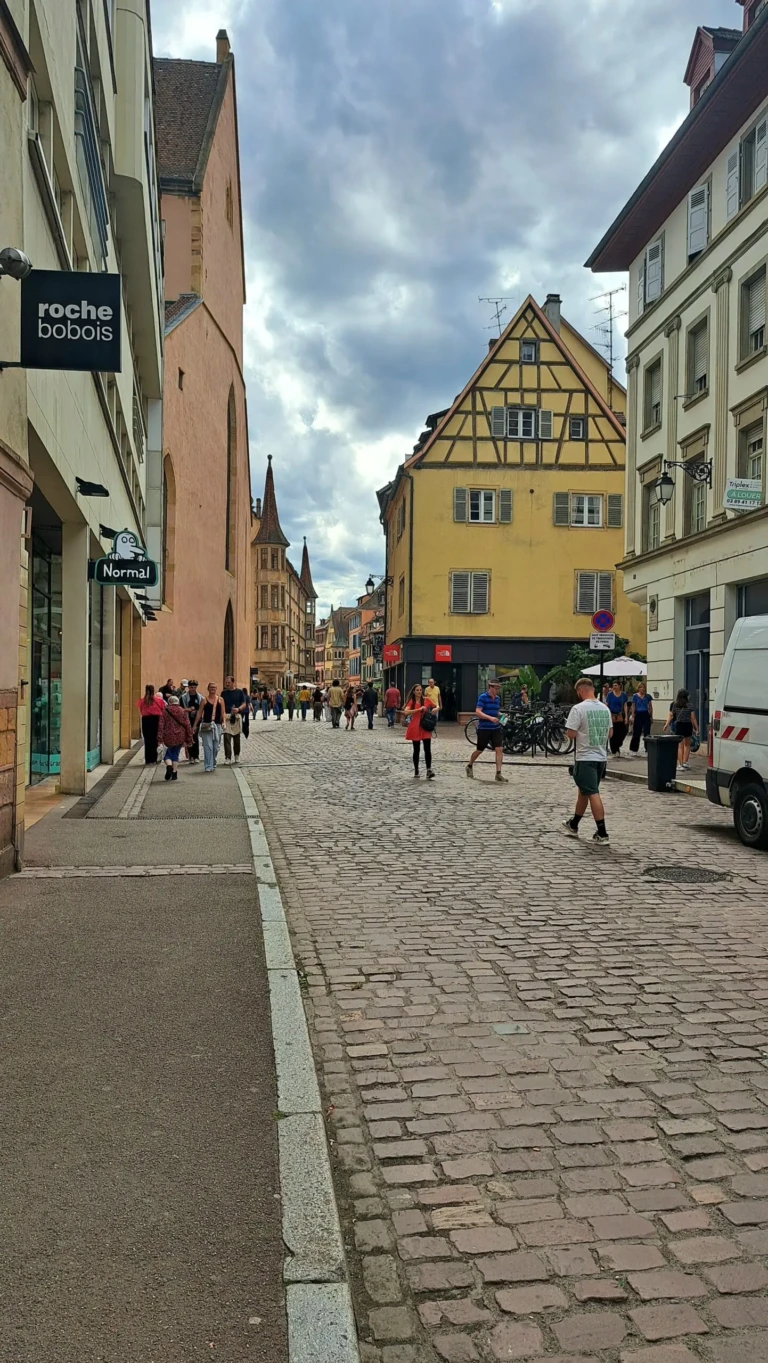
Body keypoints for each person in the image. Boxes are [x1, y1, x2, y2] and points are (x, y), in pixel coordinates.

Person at [562, 676, 612, 845]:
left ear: (581, 691)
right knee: (584, 790)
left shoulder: (578, 709)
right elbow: (610, 734)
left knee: (592, 792)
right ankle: (573, 824)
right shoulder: (605, 709)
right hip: (601, 757)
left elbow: (571, 734)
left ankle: (602, 832)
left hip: (585, 757)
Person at [466, 679, 507, 783]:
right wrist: (490, 718)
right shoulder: (483, 697)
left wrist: (500, 714)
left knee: (499, 749)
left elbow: (496, 711)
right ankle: (470, 765)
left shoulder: (497, 699)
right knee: (480, 750)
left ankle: (498, 773)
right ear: (491, 687)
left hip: (496, 728)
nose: (498, 690)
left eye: (498, 688)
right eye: (496, 688)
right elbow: (478, 712)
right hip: (484, 728)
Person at [404, 684, 436, 779]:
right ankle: (416, 770)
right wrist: (418, 709)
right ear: (414, 692)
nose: (419, 691)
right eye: (417, 690)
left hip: (425, 726)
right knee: (416, 749)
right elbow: (406, 712)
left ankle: (429, 769)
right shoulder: (412, 701)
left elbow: (437, 705)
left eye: (420, 690)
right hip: (415, 726)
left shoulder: (426, 700)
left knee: (427, 749)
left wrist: (436, 708)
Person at [158, 694, 193, 782]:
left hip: (168, 736)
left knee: (167, 754)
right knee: (175, 754)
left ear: (169, 702)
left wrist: (159, 738)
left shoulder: (165, 711)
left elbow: (161, 725)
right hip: (180, 736)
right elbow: (187, 725)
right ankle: (174, 772)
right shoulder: (182, 711)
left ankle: (169, 766)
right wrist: (189, 737)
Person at [664, 688, 699, 771]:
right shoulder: (689, 705)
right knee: (687, 745)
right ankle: (685, 762)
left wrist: (666, 724)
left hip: (679, 725)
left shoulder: (675, 705)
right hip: (687, 725)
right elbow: (693, 718)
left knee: (680, 746)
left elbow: (671, 715)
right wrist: (696, 728)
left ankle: (680, 764)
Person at [194, 683, 225, 772]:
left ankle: (213, 762)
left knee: (216, 746)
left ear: (216, 689)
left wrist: (224, 722)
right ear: (208, 688)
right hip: (207, 725)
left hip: (217, 725)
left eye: (214, 687)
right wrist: (195, 725)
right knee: (208, 746)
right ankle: (208, 765)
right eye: (211, 687)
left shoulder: (220, 700)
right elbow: (199, 713)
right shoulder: (204, 700)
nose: (212, 689)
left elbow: (223, 712)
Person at [137, 684, 165, 765]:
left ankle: (148, 760)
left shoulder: (142, 701)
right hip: (156, 720)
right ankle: (154, 758)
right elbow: (163, 710)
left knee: (147, 740)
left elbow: (141, 711)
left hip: (146, 720)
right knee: (155, 739)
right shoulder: (158, 700)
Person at [628, 681, 653, 757]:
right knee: (636, 733)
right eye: (641, 687)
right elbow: (633, 706)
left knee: (647, 733)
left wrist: (651, 716)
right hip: (638, 714)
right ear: (638, 689)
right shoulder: (635, 696)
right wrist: (633, 716)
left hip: (645, 713)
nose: (642, 689)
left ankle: (647, 750)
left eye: (643, 687)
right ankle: (633, 749)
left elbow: (650, 706)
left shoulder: (648, 696)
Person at [606, 680, 629, 757]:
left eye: (616, 685)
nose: (614, 687)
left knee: (623, 731)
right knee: (613, 733)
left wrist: (626, 716)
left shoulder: (623, 695)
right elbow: (607, 704)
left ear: (619, 686)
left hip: (620, 715)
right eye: (613, 685)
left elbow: (625, 705)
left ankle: (618, 744)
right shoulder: (610, 695)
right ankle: (615, 750)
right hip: (611, 715)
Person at [182, 680, 203, 763]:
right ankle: (191, 756)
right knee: (189, 737)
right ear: (188, 687)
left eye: (194, 687)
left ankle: (196, 756)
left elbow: (201, 709)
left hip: (197, 720)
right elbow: (180, 709)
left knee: (195, 737)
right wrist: (188, 710)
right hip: (187, 720)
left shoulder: (200, 697)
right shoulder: (184, 697)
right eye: (191, 687)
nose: (193, 689)